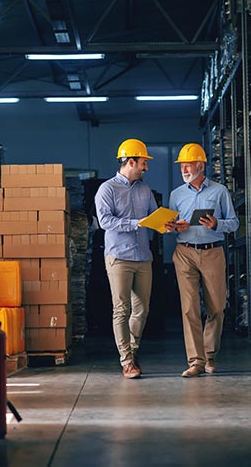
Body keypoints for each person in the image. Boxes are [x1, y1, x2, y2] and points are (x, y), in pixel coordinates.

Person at [164, 143, 238, 377]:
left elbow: (234, 223)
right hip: (184, 252)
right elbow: (171, 225)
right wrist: (175, 227)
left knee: (217, 306)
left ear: (201, 165)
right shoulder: (176, 195)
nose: (184, 169)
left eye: (188, 165)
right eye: (182, 166)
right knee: (189, 308)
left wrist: (217, 224)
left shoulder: (219, 191)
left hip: (213, 251)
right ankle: (196, 361)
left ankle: (210, 356)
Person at [94, 138, 159, 379]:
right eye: (143, 162)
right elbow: (105, 222)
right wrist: (135, 223)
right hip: (119, 257)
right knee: (121, 309)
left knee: (142, 309)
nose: (146, 167)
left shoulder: (145, 189)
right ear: (130, 161)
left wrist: (169, 223)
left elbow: (153, 217)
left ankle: (132, 350)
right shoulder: (107, 189)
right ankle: (127, 361)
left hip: (143, 256)